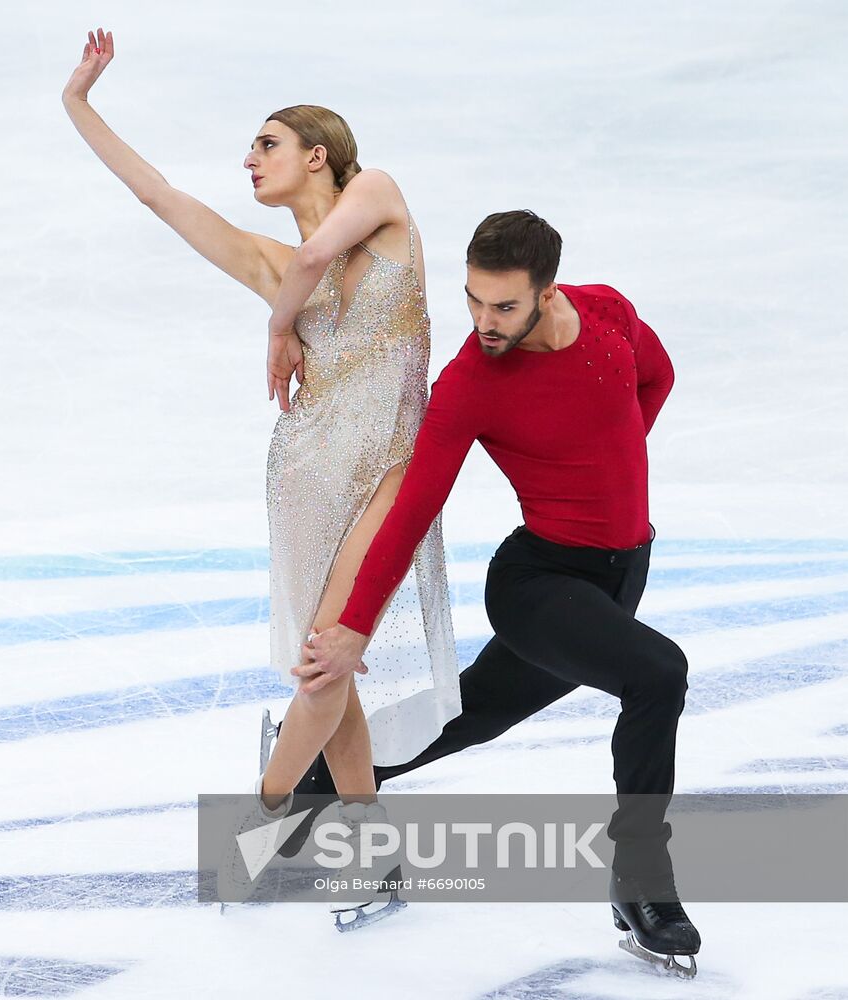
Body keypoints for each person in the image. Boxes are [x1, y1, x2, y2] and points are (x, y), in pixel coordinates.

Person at [62, 28, 460, 926]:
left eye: (266, 145)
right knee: (335, 668)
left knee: (324, 662)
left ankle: (266, 809)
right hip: (305, 478)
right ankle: (375, 851)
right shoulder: (269, 259)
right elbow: (160, 196)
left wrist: (279, 327)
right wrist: (78, 102)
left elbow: (320, 261)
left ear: (317, 155)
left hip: (396, 471)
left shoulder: (379, 197)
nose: (248, 160)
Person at [294, 209, 701, 972]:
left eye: (503, 306)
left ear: (546, 293)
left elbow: (657, 374)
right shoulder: (471, 382)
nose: (484, 321)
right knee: (657, 675)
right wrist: (353, 628)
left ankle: (322, 779)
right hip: (538, 583)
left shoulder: (606, 313)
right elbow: (415, 504)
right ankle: (639, 877)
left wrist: (610, 462)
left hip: (621, 574)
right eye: (473, 300)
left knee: (476, 712)